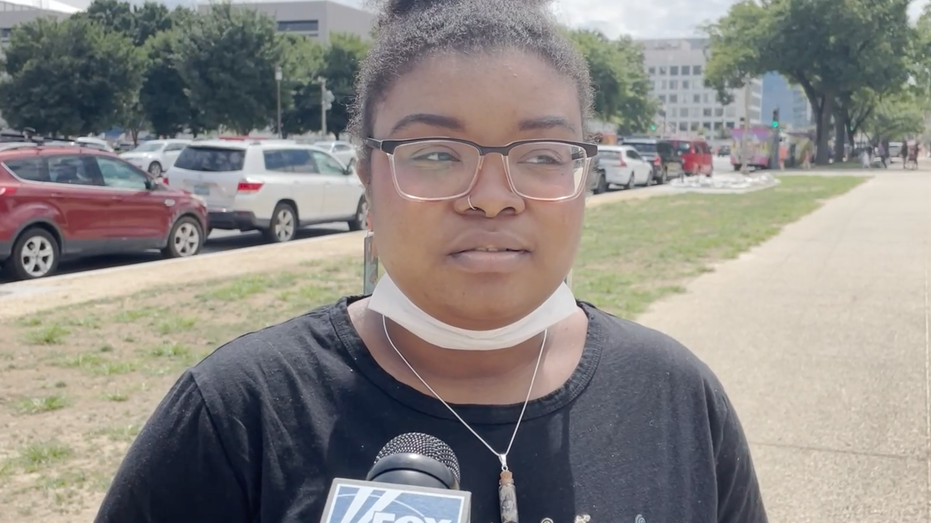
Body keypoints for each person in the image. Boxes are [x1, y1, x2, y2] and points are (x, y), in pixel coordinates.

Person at [94, 0, 769, 522]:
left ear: (582, 174)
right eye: (437, 154)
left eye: (540, 156)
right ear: (365, 172)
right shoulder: (239, 414)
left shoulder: (675, 394)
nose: (492, 199)